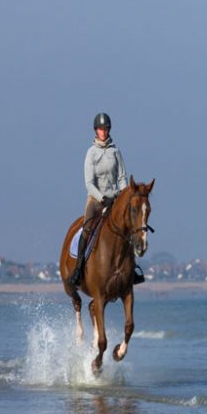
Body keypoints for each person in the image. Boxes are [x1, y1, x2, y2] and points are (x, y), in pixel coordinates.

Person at [68, 112, 130, 287]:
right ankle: (78, 269)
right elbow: (89, 183)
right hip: (96, 200)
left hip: (115, 199)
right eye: (100, 129)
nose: (103, 131)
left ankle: (131, 270)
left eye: (106, 128)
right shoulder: (91, 153)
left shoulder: (115, 152)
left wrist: (123, 196)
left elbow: (122, 177)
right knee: (87, 228)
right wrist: (102, 198)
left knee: (129, 229)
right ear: (96, 130)